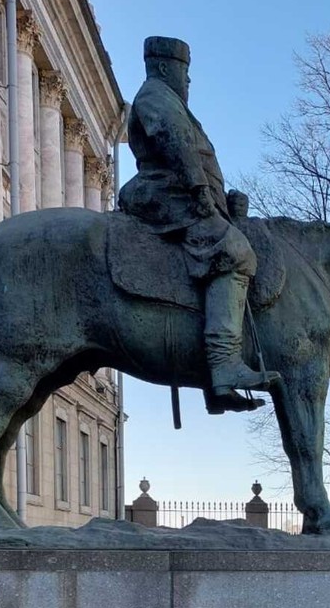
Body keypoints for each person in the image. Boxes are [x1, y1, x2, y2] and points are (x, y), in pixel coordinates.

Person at [119, 36, 280, 415]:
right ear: (163, 67)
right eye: (184, 72)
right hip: (166, 195)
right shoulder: (155, 96)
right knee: (235, 253)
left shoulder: (169, 100)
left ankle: (215, 383)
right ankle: (225, 364)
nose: (188, 82)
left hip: (183, 195)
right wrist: (199, 189)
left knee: (232, 240)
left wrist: (228, 205)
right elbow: (175, 144)